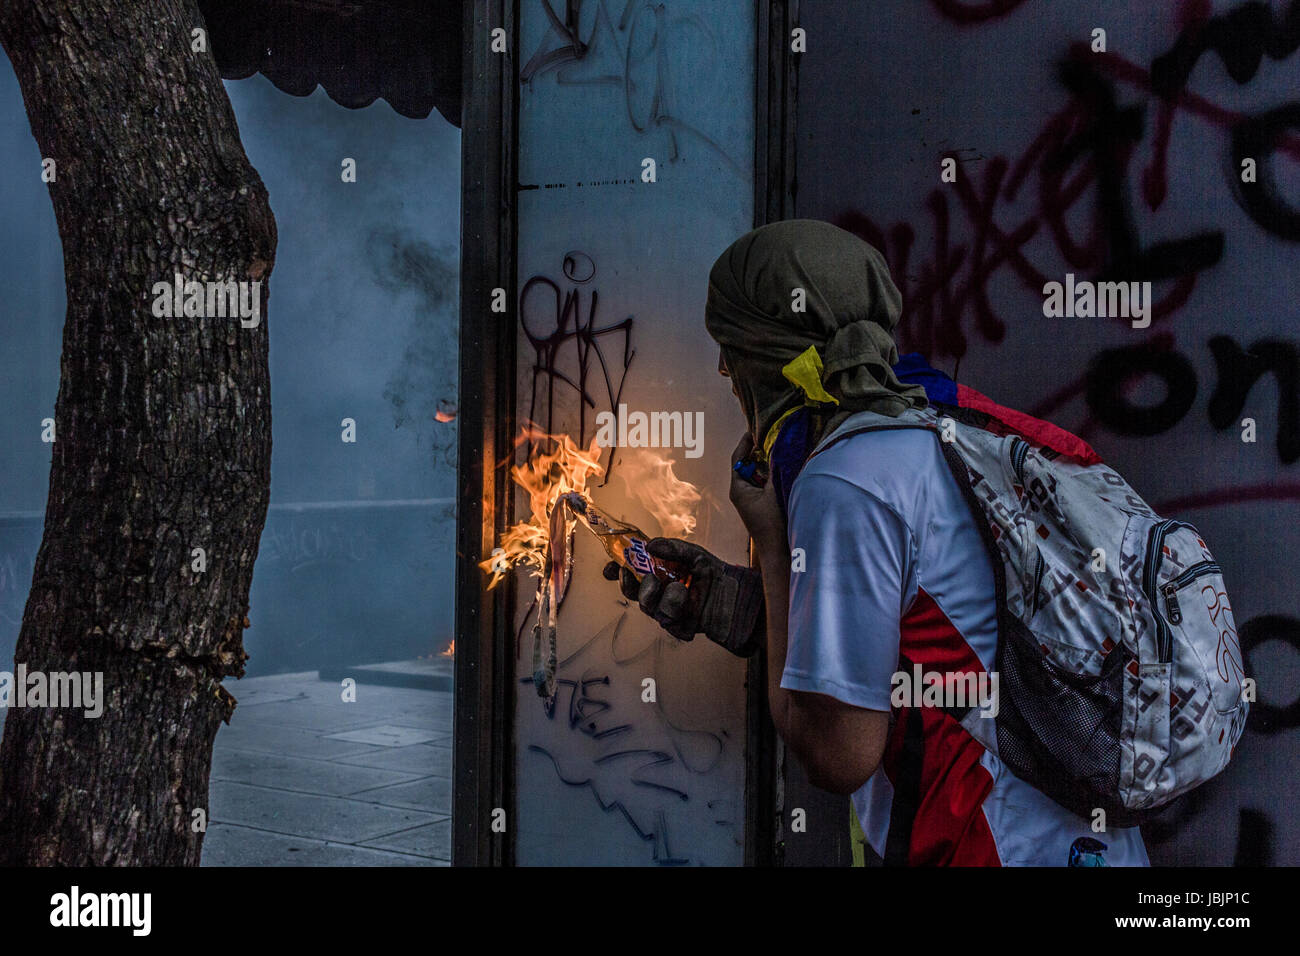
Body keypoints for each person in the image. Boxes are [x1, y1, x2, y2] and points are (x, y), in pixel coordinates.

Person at [609, 219, 1148, 867]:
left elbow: (839, 755)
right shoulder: (952, 421)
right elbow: (927, 641)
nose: (722, 367)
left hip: (988, 849)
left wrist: (774, 552)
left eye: (727, 343)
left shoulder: (844, 478)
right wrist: (735, 605)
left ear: (764, 349)